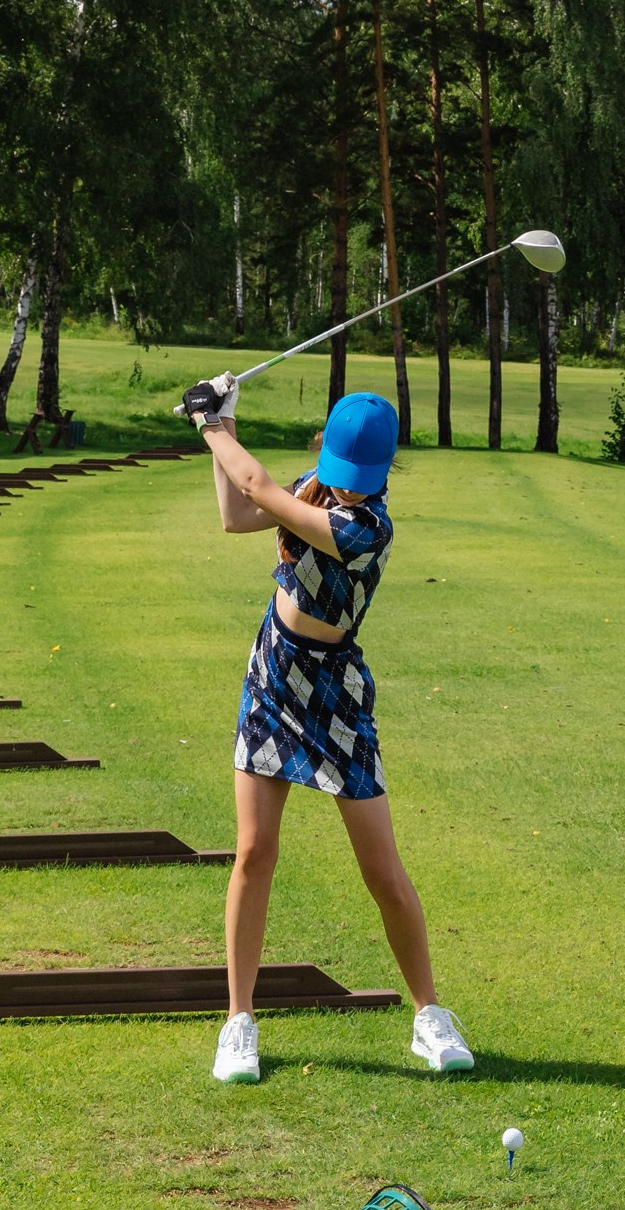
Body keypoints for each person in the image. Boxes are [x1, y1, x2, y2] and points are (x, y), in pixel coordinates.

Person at [184, 375, 473, 1086]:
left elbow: (258, 488)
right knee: (254, 850)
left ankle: (429, 1016)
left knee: (383, 872)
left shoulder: (366, 529)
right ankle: (238, 1023)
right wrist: (220, 426)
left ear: (379, 478)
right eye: (338, 476)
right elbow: (238, 511)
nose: (342, 489)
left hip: (335, 696)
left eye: (354, 482)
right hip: (272, 678)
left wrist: (209, 425)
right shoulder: (319, 486)